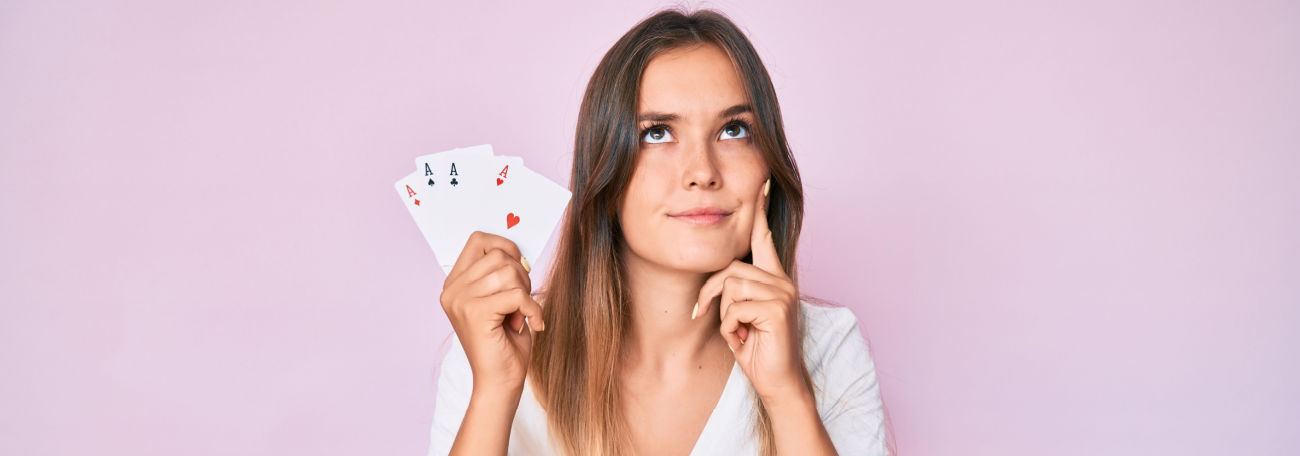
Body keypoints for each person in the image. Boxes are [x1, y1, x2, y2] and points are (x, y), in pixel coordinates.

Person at [428, 8, 891, 456]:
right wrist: (495, 392)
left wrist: (788, 395)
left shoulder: (828, 347)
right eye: (657, 133)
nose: (702, 172)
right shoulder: (493, 347)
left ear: (768, 168)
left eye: (733, 130)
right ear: (604, 173)